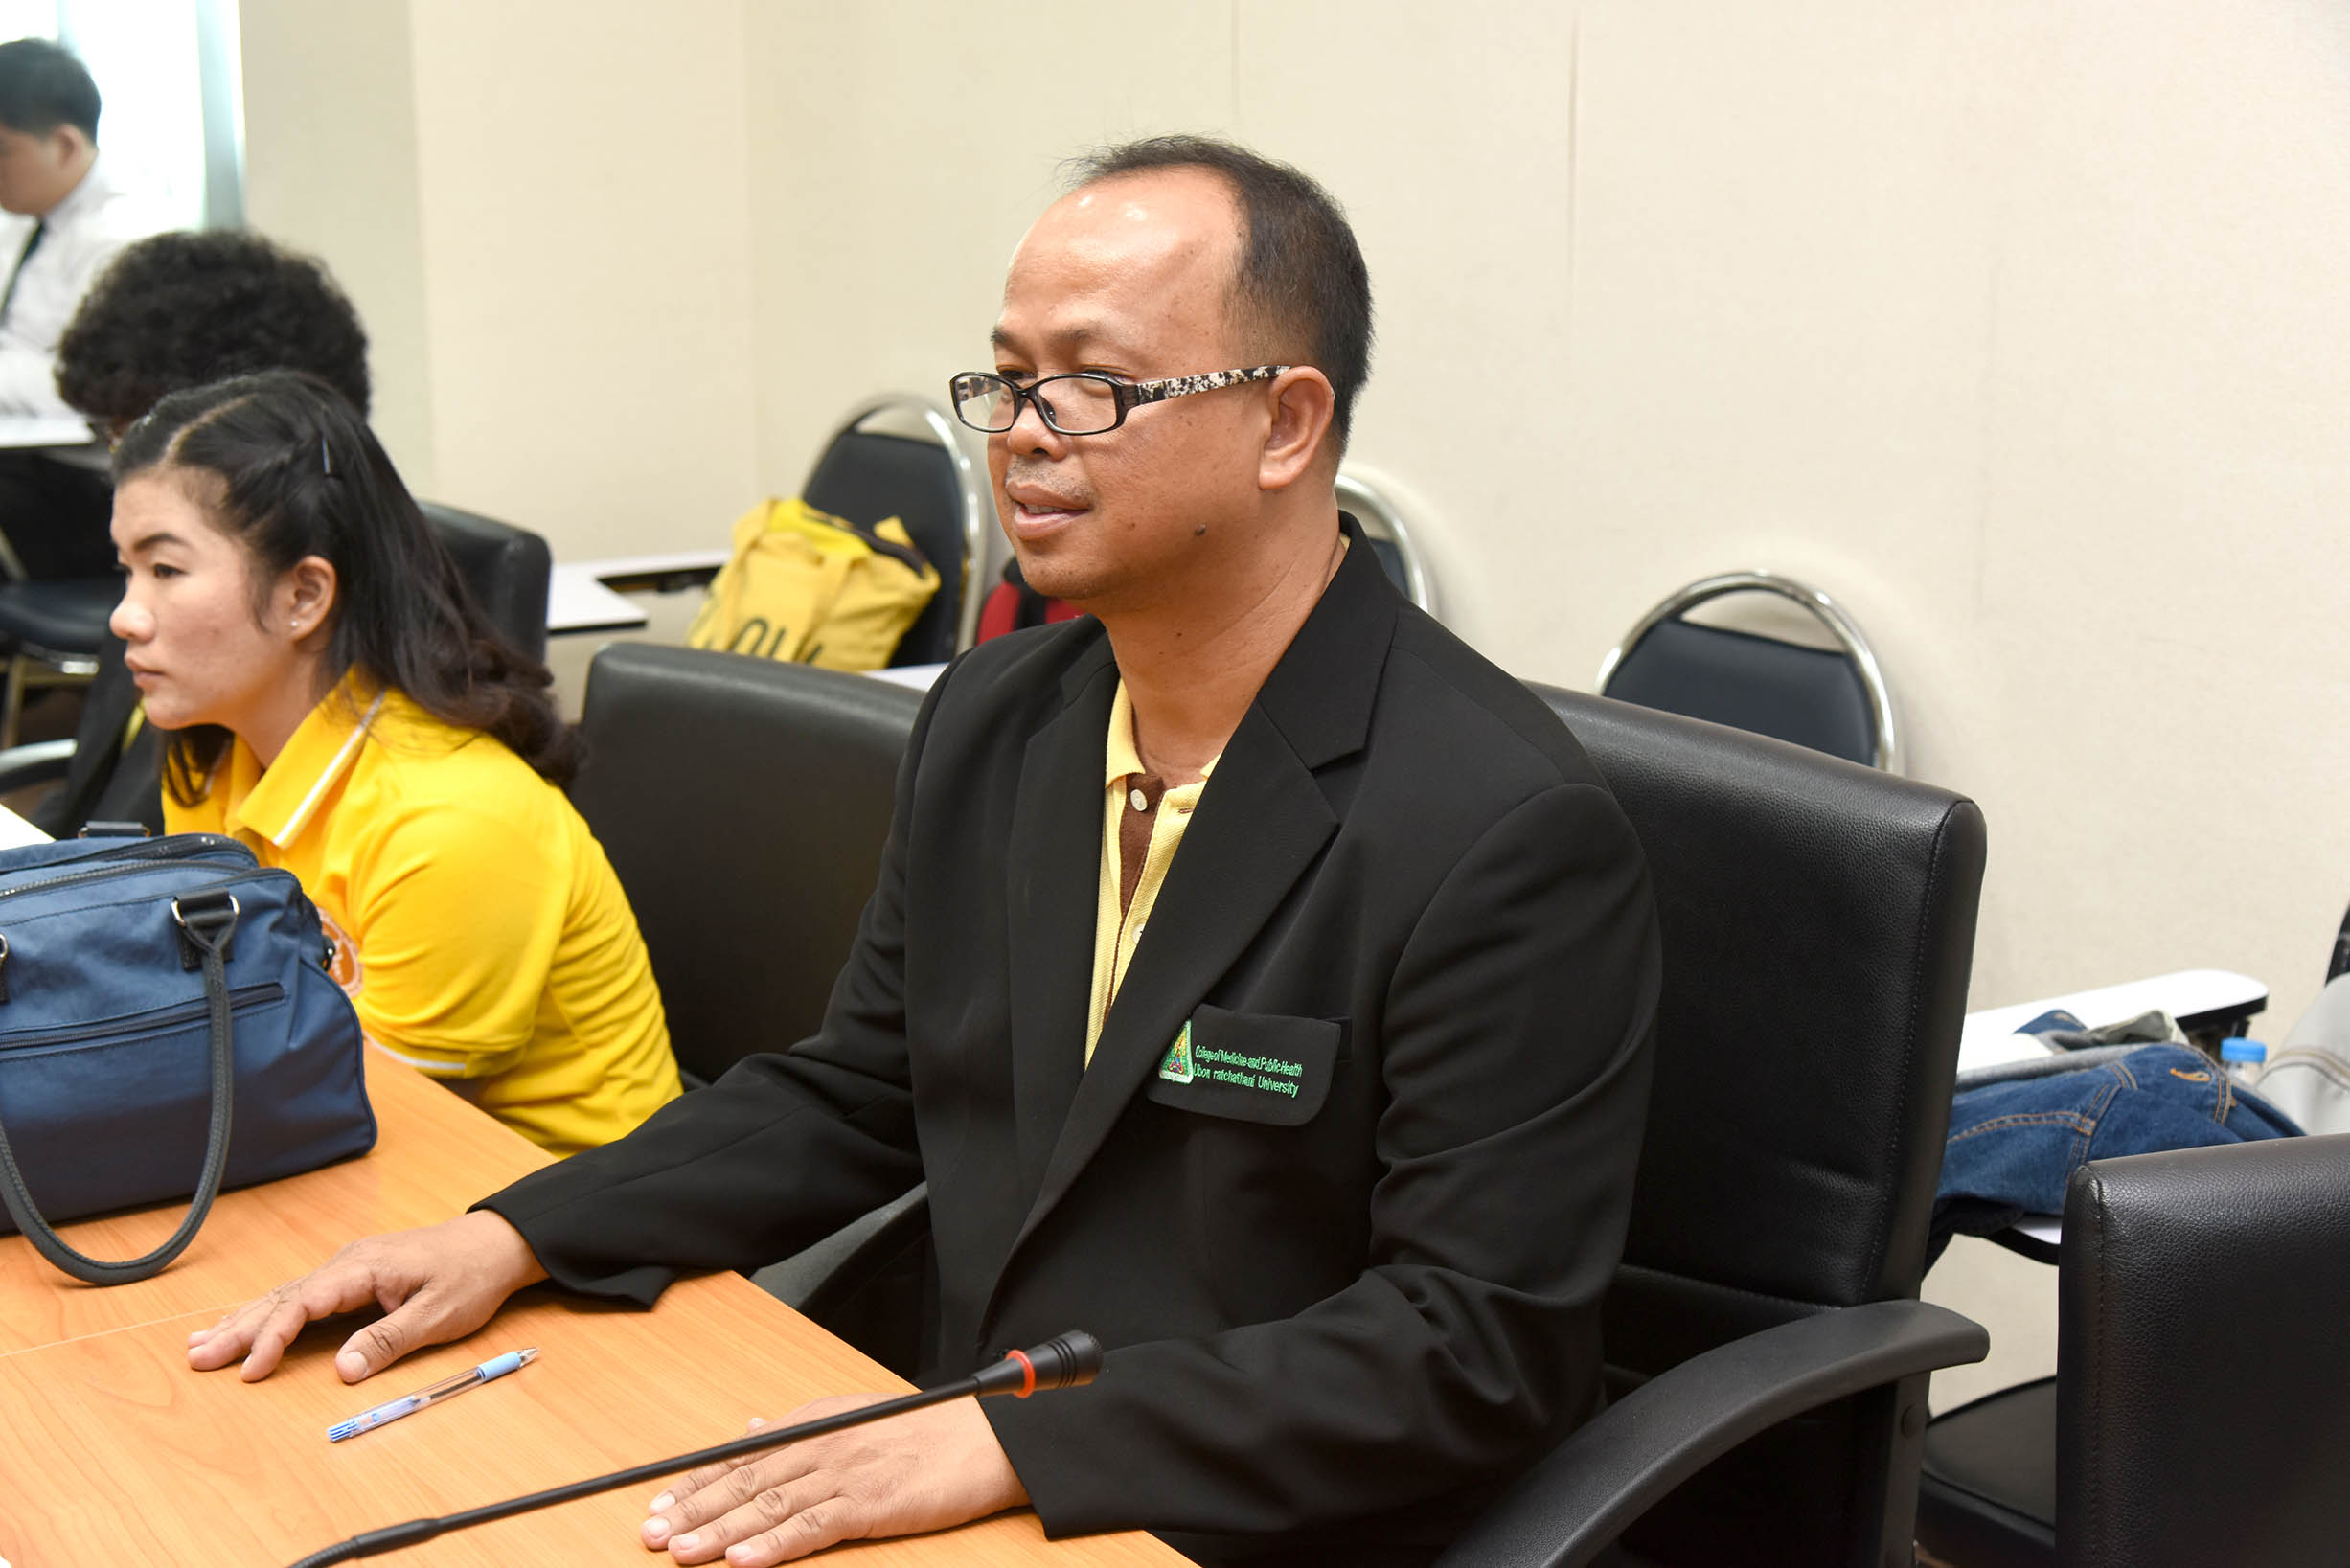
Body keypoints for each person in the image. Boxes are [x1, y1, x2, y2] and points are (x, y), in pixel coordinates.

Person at [185, 138, 1662, 1566]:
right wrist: (516, 1233)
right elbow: (862, 1087)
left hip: (1239, 1508)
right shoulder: (998, 718)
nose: (1023, 433)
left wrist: (1014, 1443)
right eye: (1008, 380)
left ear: (1284, 424)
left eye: (1091, 386)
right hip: (969, 1441)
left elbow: (1471, 1344)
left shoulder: (1497, 826)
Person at [110, 371, 681, 1155]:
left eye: (166, 571)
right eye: (126, 569)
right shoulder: (213, 749)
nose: (125, 615)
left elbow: (375, 1128)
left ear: (303, 595)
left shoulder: (447, 821)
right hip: (341, 1143)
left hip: (551, 1195)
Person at [33, 229, 375, 837]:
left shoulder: (265, 691)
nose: (122, 462)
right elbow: (85, 800)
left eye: (138, 433)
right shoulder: (158, 588)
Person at [0, 37, 164, 578]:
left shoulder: (124, 239)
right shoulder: (25, 219)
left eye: (2, 151)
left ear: (66, 145)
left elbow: (91, 388)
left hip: (86, 480)